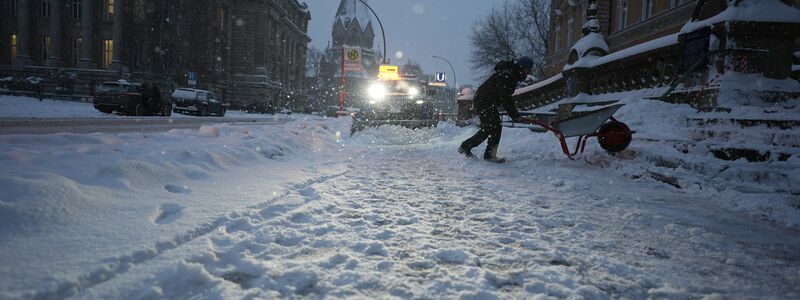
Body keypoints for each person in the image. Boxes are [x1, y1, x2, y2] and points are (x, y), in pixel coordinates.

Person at [458, 56, 533, 163]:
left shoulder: (511, 74)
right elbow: (505, 98)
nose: (528, 72)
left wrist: (514, 114)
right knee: (493, 127)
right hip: (484, 100)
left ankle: (482, 152)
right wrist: (515, 115)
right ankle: (478, 151)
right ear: (522, 67)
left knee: (493, 127)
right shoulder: (507, 75)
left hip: (486, 100)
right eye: (528, 69)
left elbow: (504, 97)